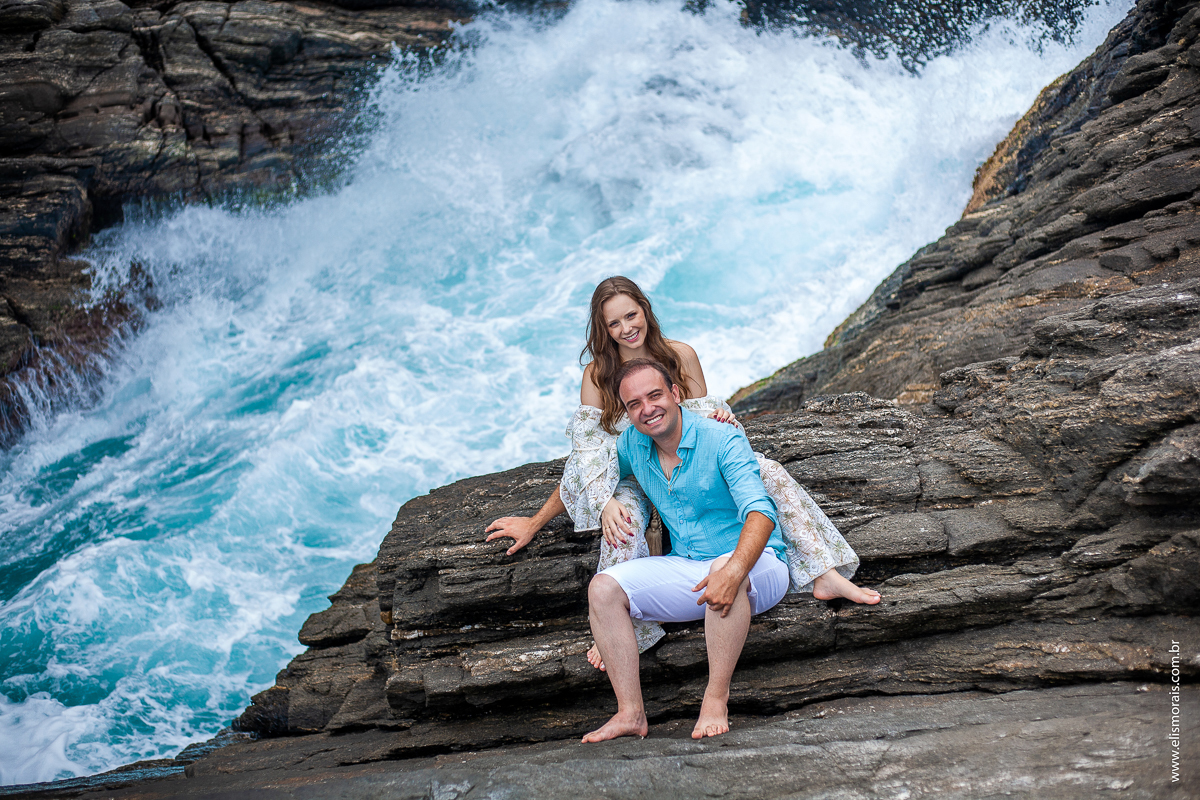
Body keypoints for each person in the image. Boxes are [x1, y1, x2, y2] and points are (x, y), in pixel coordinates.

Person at [485, 276, 879, 665]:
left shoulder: (680, 355)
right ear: (603, 329)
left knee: (770, 471)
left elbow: (697, 420)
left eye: (631, 315)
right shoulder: (597, 374)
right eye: (614, 323)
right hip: (626, 469)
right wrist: (583, 507)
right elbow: (588, 456)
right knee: (622, 523)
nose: (626, 328)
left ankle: (822, 572)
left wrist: (721, 417)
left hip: (682, 460)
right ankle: (621, 627)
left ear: (645, 309)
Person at [585, 358, 787, 740]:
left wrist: (734, 570)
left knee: (722, 569)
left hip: (758, 565)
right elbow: (588, 472)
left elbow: (761, 512)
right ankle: (630, 714)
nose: (647, 409)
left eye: (655, 395)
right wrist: (537, 521)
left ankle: (715, 699)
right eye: (634, 404)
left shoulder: (721, 438)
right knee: (603, 588)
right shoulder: (631, 444)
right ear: (626, 412)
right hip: (688, 566)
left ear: (676, 393)